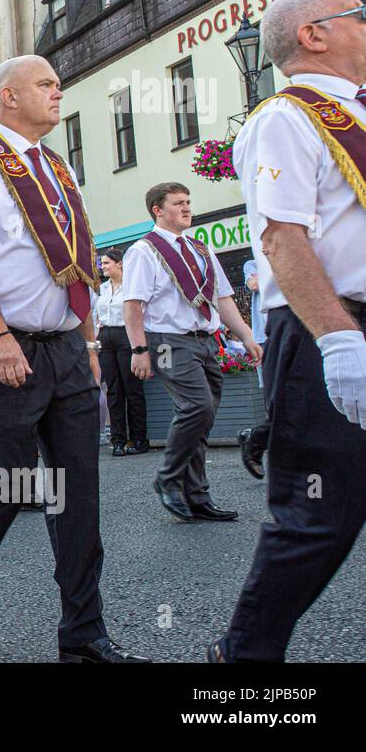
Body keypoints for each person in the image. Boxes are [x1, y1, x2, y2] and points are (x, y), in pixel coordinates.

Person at [0, 55, 147, 662]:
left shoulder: (57, 167)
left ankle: (83, 634)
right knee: (6, 484)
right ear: (6, 97)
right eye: (45, 84)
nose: (58, 92)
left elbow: (78, 257)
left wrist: (89, 342)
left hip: (65, 349)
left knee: (77, 493)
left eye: (57, 83)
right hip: (0, 341)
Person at [211, 0, 366, 662]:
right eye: (358, 15)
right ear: (314, 34)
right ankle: (244, 659)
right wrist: (339, 341)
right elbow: (279, 239)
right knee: (318, 517)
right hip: (327, 324)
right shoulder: (285, 117)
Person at [123, 183, 260, 522]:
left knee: (202, 416)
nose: (187, 208)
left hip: (205, 340)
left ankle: (196, 496)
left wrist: (246, 335)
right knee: (196, 407)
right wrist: (139, 349)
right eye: (178, 203)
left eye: (188, 202)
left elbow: (223, 299)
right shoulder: (144, 250)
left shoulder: (200, 248)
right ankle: (168, 478)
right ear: (158, 209)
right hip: (169, 341)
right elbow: (133, 305)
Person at [93, 249, 147, 456]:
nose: (102, 267)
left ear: (120, 264)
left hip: (126, 334)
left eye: (106, 263)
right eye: (102, 263)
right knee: (114, 390)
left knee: (132, 388)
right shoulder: (103, 288)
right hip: (106, 336)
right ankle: (118, 440)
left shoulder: (132, 286)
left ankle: (139, 438)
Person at [236, 258, 269, 479]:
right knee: (275, 399)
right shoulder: (252, 264)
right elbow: (253, 284)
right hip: (265, 338)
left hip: (304, 331)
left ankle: (254, 438)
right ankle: (256, 439)